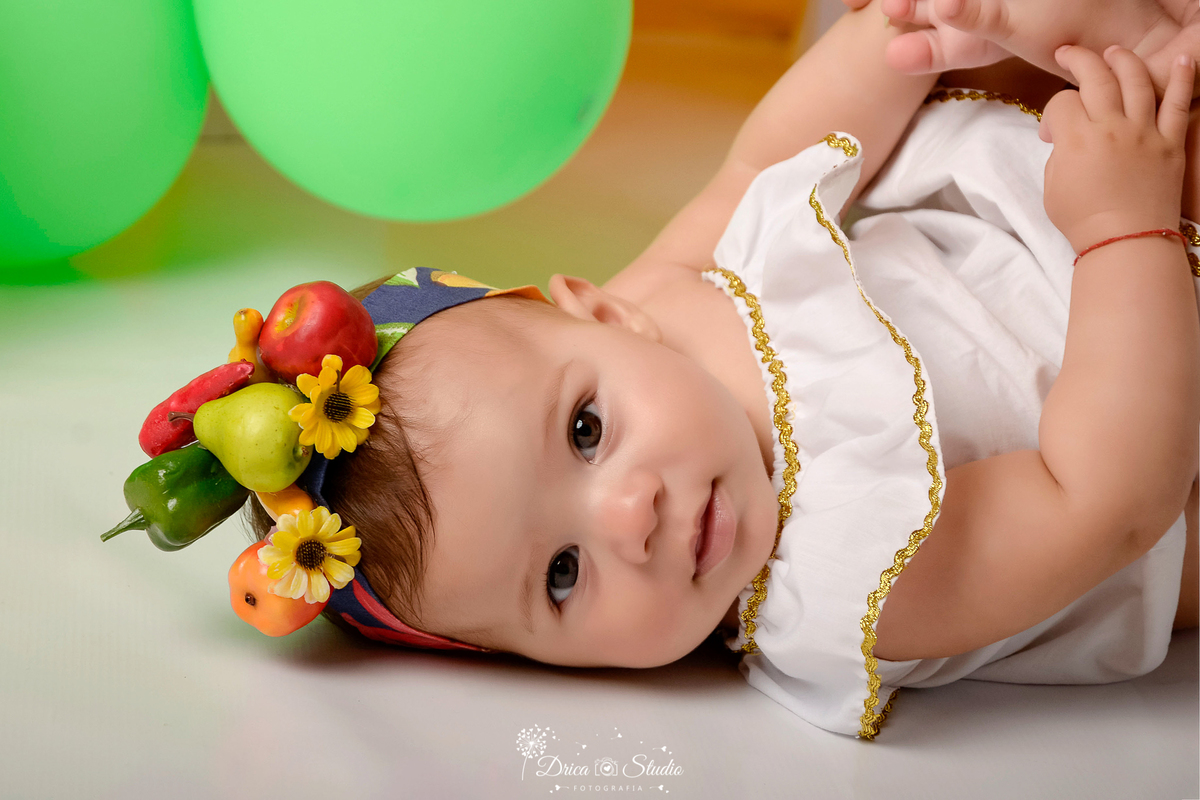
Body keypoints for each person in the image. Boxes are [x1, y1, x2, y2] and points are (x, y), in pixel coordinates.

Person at [246, 0, 1200, 737]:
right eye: (564, 578)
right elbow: (1103, 499)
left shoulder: (659, 307)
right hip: (1161, 395)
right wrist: (1126, 226)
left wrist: (902, 35)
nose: (631, 518)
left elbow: (761, 160)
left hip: (1057, 227)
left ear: (603, 309)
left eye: (586, 432)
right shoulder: (850, 576)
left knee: (1100, 72)